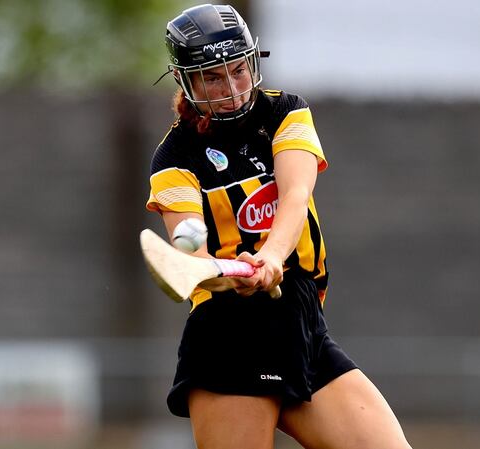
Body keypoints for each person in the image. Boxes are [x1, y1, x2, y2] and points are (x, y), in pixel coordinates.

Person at [146, 4, 414, 449]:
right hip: (228, 335)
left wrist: (271, 257)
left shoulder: (285, 112)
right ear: (184, 80)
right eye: (212, 77)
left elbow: (295, 195)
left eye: (238, 70)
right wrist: (225, 277)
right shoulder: (174, 159)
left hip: (300, 322)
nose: (232, 89)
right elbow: (192, 251)